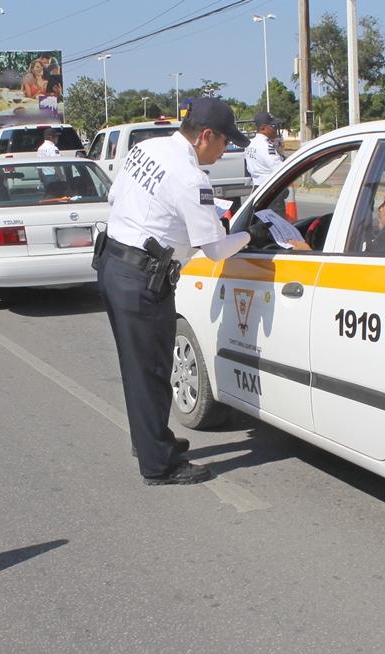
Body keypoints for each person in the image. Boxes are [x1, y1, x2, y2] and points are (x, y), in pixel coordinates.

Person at [98, 97, 274, 485]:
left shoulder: (146, 148)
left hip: (113, 264)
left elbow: (116, 199)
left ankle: (149, 441)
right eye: (225, 141)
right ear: (205, 136)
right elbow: (214, 250)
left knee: (139, 365)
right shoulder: (192, 178)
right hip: (142, 278)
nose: (226, 149)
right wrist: (249, 235)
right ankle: (158, 466)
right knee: (153, 369)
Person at [243, 111, 285, 189]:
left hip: (256, 187)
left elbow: (248, 168)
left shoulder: (250, 144)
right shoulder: (266, 146)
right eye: (273, 126)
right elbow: (280, 169)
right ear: (263, 128)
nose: (276, 129)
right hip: (269, 189)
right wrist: (281, 155)